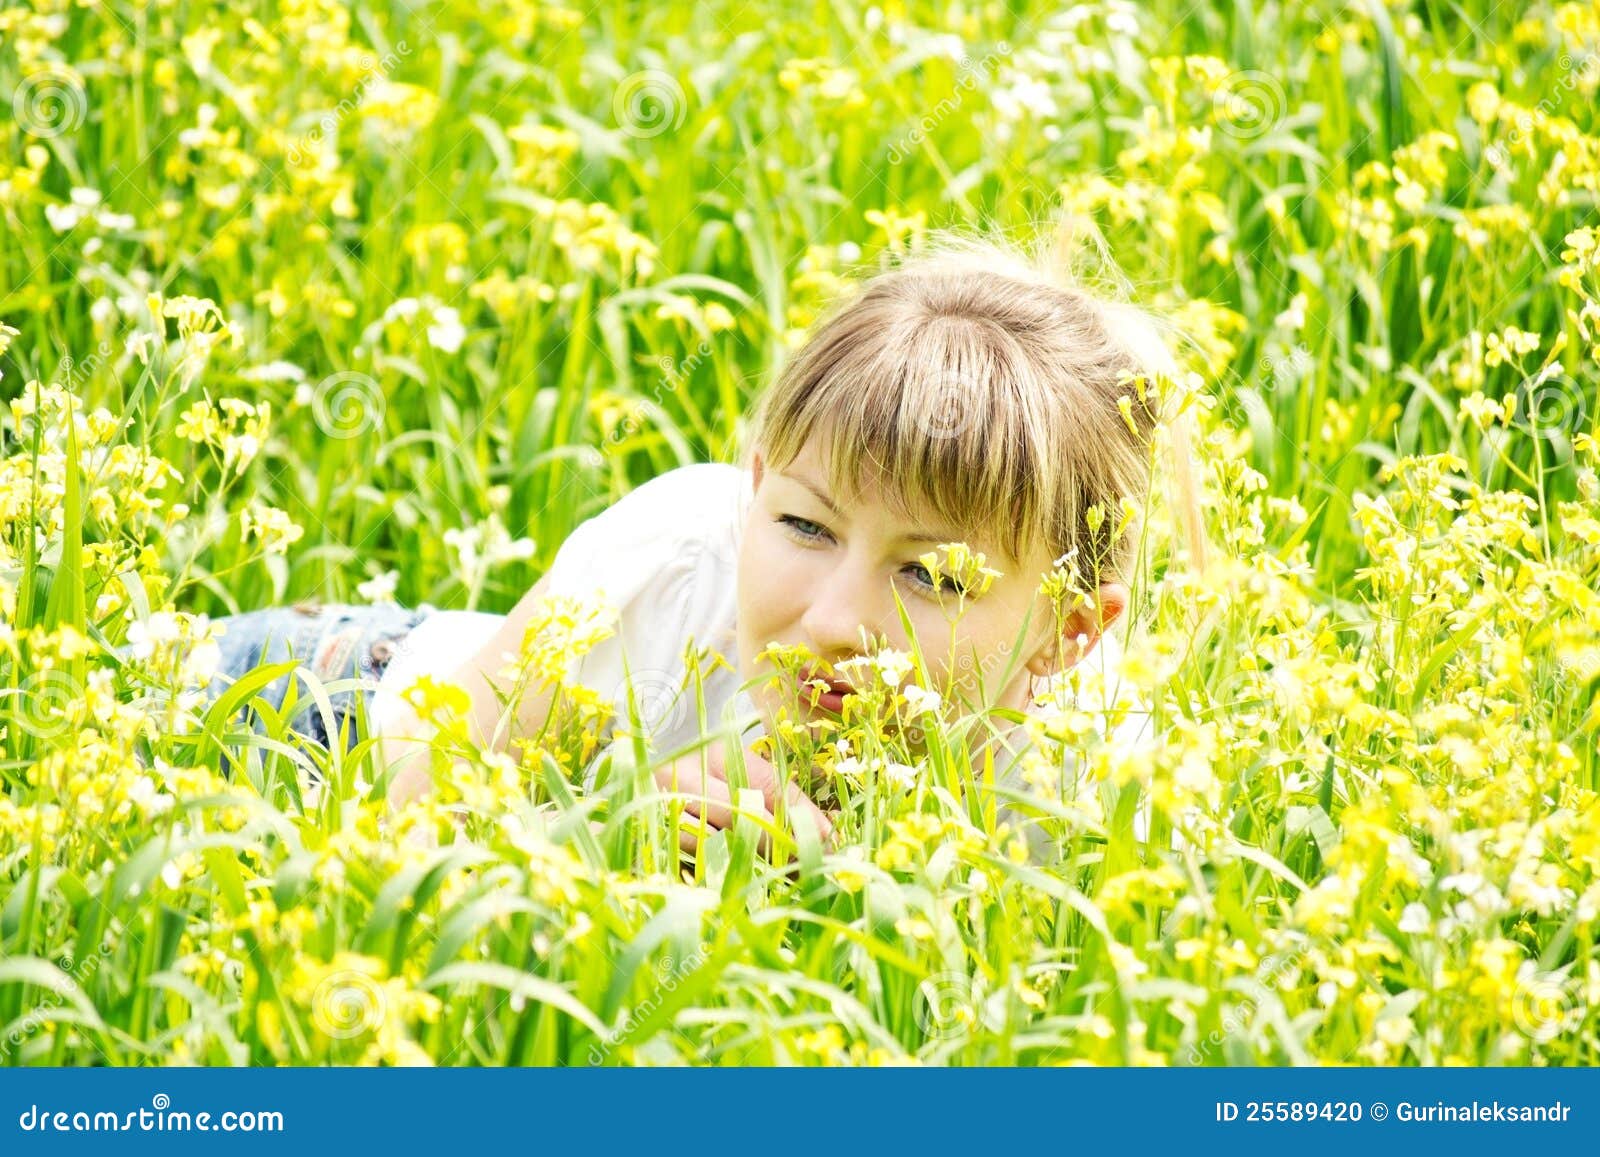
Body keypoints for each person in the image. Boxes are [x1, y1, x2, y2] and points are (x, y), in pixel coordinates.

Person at [196, 221, 1209, 858]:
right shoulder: (675, 560)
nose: (833, 619)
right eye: (805, 525)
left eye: (932, 576)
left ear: (1067, 634)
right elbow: (393, 843)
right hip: (322, 704)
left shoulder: (1093, 781)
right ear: (754, 488)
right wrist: (590, 841)